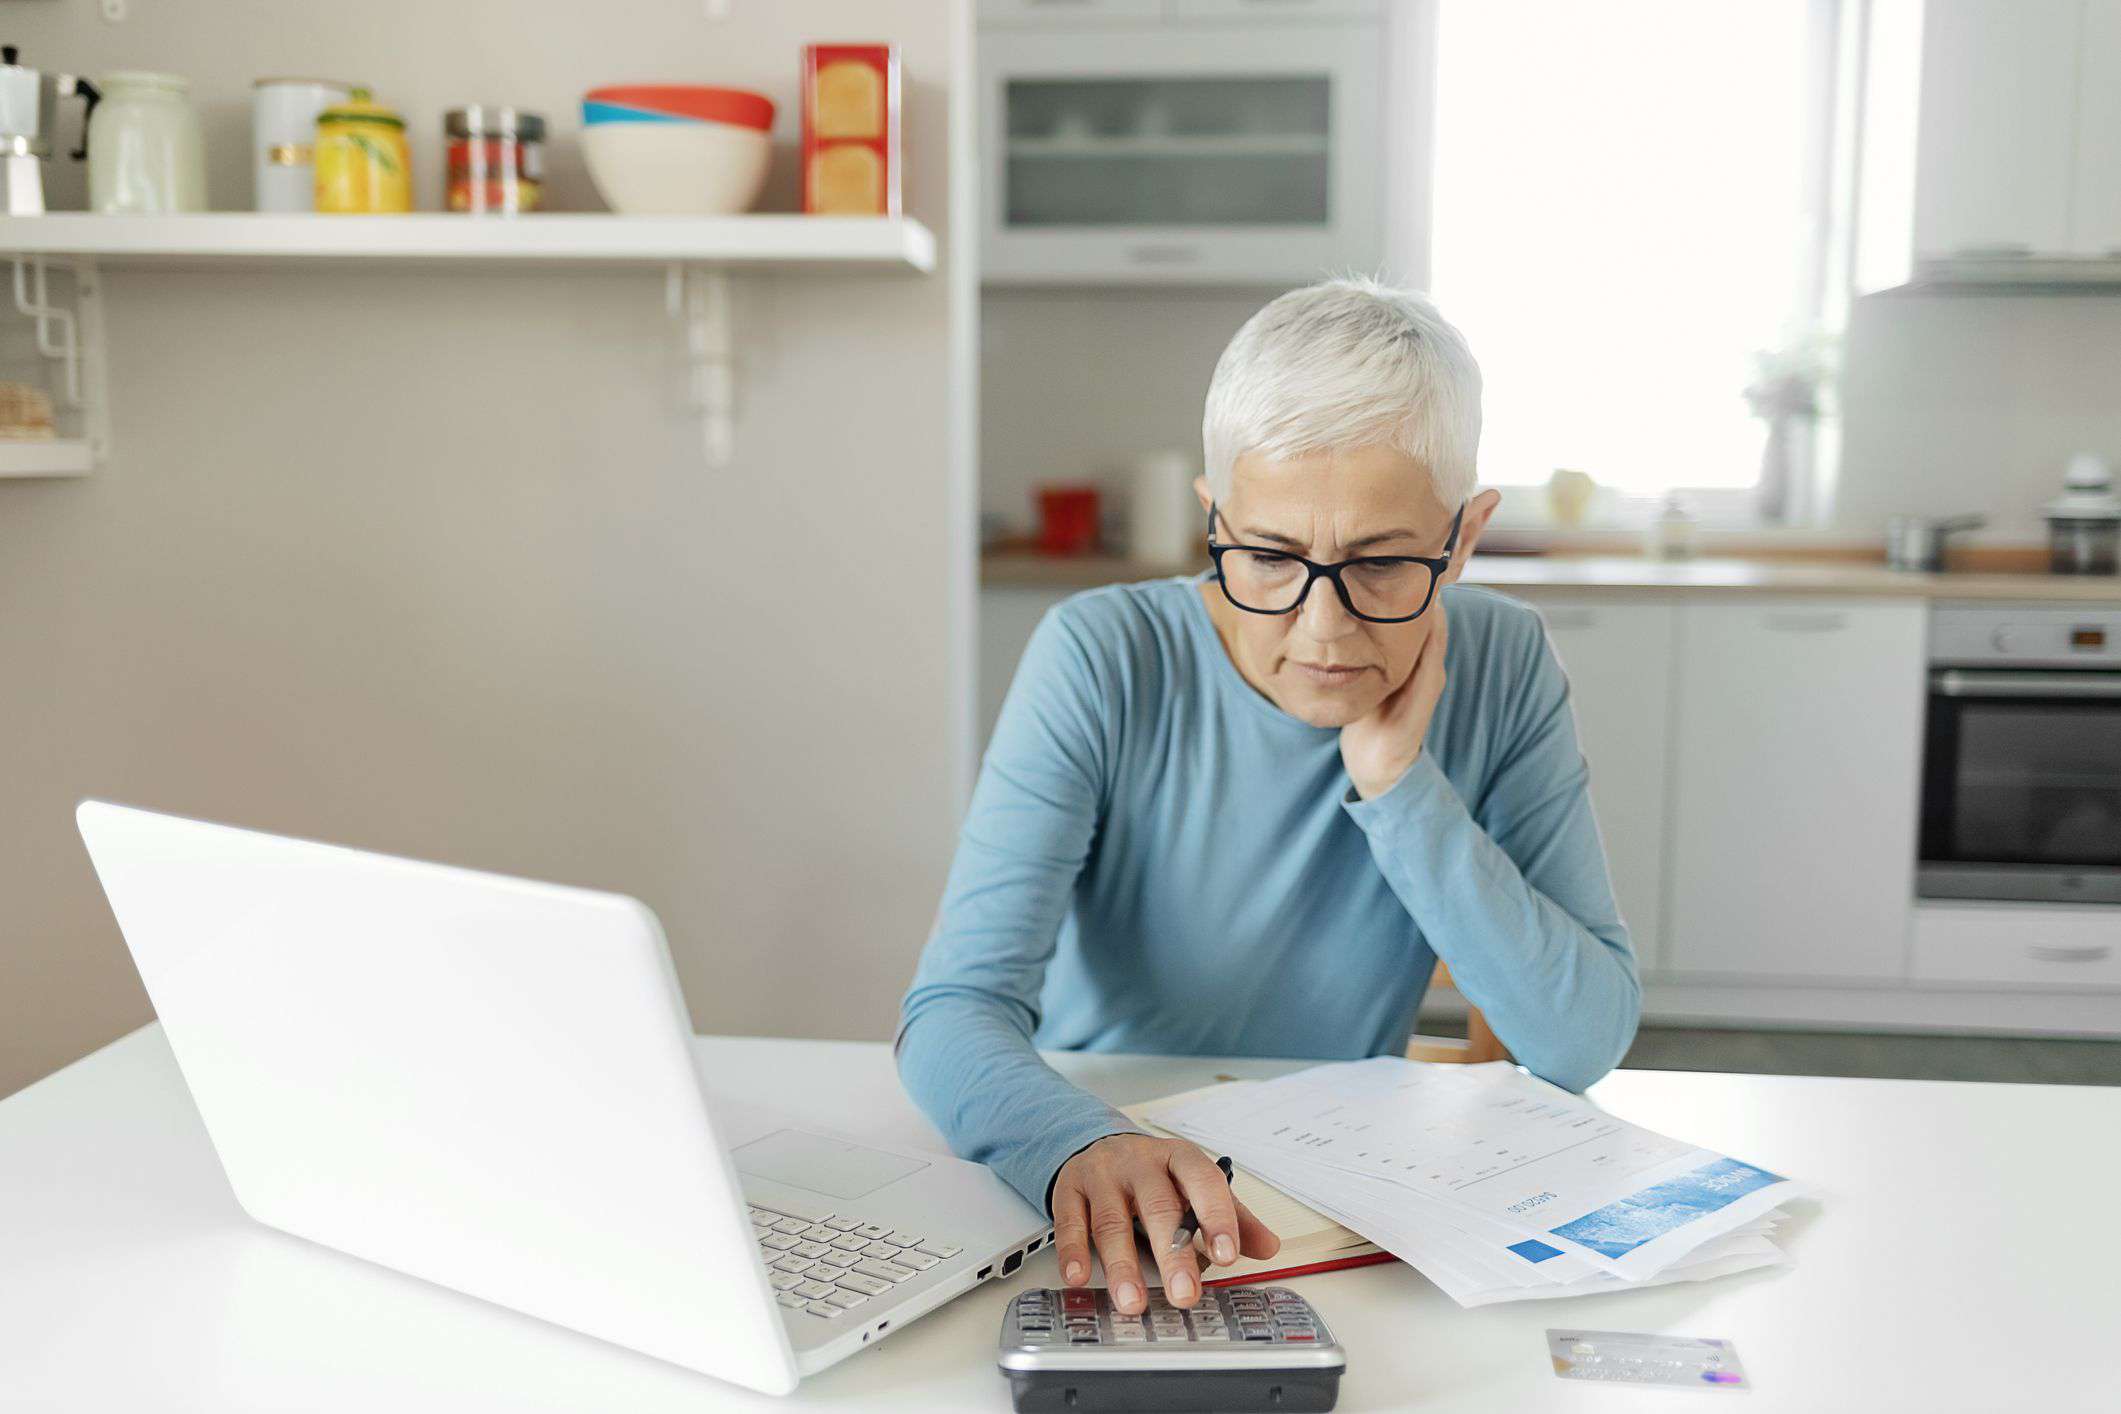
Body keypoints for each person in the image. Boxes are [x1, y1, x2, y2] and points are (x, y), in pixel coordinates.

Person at [896, 277, 1640, 1318]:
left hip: (1330, 1194)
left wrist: (1397, 783)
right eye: (1270, 557)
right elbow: (950, 1012)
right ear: (1216, 516)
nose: (1322, 629)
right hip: (1094, 1149)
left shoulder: (1504, 661)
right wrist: (1079, 1139)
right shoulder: (1103, 655)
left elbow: (1579, 1039)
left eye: (1381, 564)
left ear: (1463, 538)